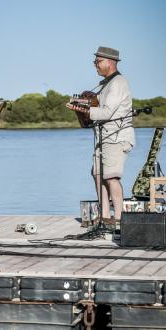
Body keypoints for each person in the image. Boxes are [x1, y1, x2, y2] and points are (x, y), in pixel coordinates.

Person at [67, 46, 134, 229]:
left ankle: (119, 218)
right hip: (102, 138)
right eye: (94, 62)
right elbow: (99, 106)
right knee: (98, 174)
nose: (95, 65)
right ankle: (105, 217)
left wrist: (85, 110)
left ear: (110, 62)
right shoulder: (106, 84)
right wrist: (84, 103)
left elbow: (107, 112)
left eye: (98, 61)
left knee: (112, 177)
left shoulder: (118, 83)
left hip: (116, 137)